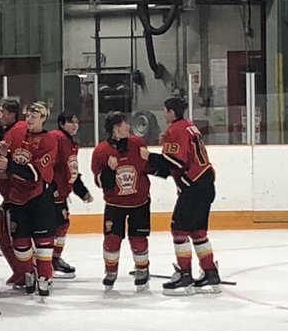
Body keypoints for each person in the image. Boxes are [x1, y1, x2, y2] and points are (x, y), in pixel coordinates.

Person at [148, 97, 220, 293]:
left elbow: (175, 163)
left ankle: (185, 274)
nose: (164, 115)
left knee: (179, 230)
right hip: (205, 183)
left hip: (194, 185)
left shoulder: (175, 129)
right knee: (198, 231)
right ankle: (210, 273)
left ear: (171, 112)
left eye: (165, 111)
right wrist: (152, 167)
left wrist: (147, 158)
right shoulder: (190, 126)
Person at [0, 101, 59, 296]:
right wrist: (4, 155)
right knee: (20, 241)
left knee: (43, 241)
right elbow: (4, 162)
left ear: (43, 118)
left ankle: (45, 277)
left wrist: (9, 164)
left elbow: (35, 174)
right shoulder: (16, 134)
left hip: (39, 197)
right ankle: (28, 273)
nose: (29, 119)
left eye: (34, 116)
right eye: (28, 115)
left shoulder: (49, 141)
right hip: (17, 197)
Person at [89, 112, 152, 290]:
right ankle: (111, 271)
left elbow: (148, 168)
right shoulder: (101, 151)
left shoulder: (138, 144)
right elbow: (102, 184)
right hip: (114, 204)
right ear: (117, 128)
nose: (129, 127)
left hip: (139, 202)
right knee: (112, 240)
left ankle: (142, 270)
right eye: (125, 124)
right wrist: (110, 170)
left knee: (138, 239)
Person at [50, 112, 94, 278]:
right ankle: (47, 260)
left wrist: (81, 191)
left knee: (61, 226)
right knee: (51, 227)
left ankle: (54, 259)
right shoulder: (57, 138)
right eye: (70, 122)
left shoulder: (71, 143)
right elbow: (49, 165)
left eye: (76, 121)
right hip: (51, 193)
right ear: (61, 124)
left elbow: (71, 171)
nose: (75, 125)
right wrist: (50, 187)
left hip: (61, 193)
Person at [0, 97, 28, 285]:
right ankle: (23, 272)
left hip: (17, 196)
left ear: (12, 113)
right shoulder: (13, 131)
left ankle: (25, 273)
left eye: (2, 110)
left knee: (11, 237)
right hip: (14, 195)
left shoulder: (16, 132)